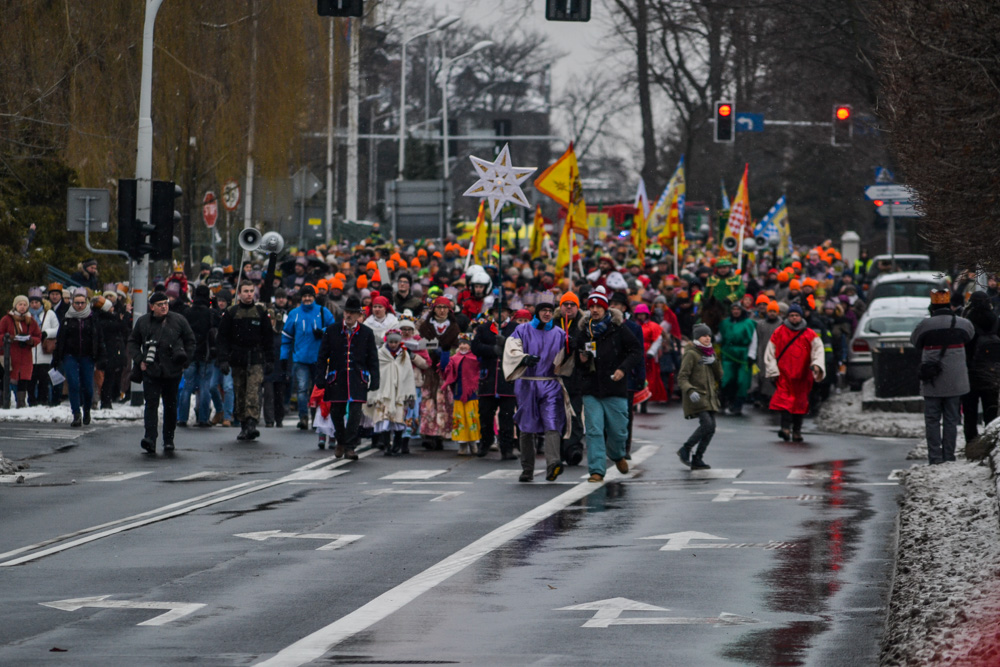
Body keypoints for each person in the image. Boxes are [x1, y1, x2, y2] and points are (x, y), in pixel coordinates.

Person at [574, 287, 643, 482]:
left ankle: (617, 454)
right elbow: (577, 357)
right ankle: (596, 470)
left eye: (599, 306)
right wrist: (582, 359)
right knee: (594, 430)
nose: (595, 310)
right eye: (592, 306)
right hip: (591, 387)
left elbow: (636, 351)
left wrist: (623, 369)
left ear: (606, 309)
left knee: (619, 429)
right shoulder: (584, 331)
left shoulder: (619, 329)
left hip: (615, 386)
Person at [503, 299, 570, 482]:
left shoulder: (559, 333)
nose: (547, 313)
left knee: (552, 423)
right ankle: (527, 469)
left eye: (550, 310)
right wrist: (523, 359)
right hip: (527, 384)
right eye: (544, 310)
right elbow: (511, 348)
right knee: (526, 427)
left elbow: (567, 355)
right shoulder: (522, 330)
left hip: (550, 383)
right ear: (537, 312)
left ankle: (553, 464)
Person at [910, 289, 975, 464]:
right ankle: (949, 456)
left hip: (932, 380)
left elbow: (915, 342)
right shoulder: (963, 324)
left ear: (932, 307)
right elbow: (970, 337)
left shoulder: (924, 325)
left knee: (932, 420)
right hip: (956, 381)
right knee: (951, 420)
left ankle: (935, 457)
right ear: (950, 306)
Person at [128, 291, 195, 453]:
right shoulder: (143, 322)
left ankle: (168, 439)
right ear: (152, 307)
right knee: (151, 404)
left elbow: (190, 341)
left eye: (165, 303)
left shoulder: (178, 320)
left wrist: (185, 362)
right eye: (160, 305)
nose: (164, 307)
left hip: (173, 371)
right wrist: (140, 360)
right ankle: (150, 438)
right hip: (151, 370)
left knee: (170, 405)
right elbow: (132, 342)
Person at [315, 296, 380, 460]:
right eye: (347, 312)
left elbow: (372, 358)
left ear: (359, 315)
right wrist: (320, 377)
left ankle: (350, 446)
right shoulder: (332, 330)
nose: (349, 315)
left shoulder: (366, 333)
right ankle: (341, 440)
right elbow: (322, 356)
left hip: (358, 378)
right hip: (337, 377)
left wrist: (375, 378)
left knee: (355, 414)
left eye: (353, 312)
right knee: (336, 412)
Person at [217, 281, 274, 441]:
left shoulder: (261, 312)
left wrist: (270, 360)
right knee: (240, 392)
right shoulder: (232, 312)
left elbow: (268, 338)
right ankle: (243, 424)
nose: (249, 294)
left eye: (251, 291)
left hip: (256, 359)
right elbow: (222, 338)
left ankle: (251, 423)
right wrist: (223, 359)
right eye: (246, 291)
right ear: (239, 293)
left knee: (253, 392)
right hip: (237, 359)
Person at [764, 303, 826, 442]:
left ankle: (797, 430)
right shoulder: (779, 332)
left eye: (796, 315)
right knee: (785, 403)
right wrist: (773, 371)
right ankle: (785, 428)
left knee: (800, 403)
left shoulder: (810, 334)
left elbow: (818, 350)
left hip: (803, 376)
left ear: (801, 317)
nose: (794, 318)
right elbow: (770, 352)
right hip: (784, 375)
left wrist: (816, 365)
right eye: (791, 315)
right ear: (787, 316)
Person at [281, 284, 335, 430]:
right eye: (304, 296)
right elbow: (286, 338)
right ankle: (303, 417)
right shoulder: (294, 314)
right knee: (302, 390)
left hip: (319, 359)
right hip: (300, 359)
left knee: (317, 390)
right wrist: (283, 358)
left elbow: (334, 330)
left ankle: (316, 419)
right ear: (301, 297)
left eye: (309, 296)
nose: (307, 298)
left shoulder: (323, 312)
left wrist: (323, 331)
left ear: (314, 297)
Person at [471, 306, 518, 461]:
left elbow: (520, 348)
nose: (500, 314)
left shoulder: (515, 328)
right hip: (488, 379)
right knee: (484, 414)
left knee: (507, 417)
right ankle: (485, 442)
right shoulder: (483, 328)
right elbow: (475, 347)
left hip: (507, 379)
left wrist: (505, 347)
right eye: (497, 311)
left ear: (508, 313)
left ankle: (507, 448)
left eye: (503, 311)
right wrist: (493, 349)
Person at [52, 290, 104, 425]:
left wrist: (100, 356)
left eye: (82, 303)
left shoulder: (92, 318)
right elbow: (60, 338)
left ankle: (87, 410)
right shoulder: (67, 318)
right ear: (72, 303)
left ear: (86, 303)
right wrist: (56, 357)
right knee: (73, 384)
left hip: (87, 356)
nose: (80, 305)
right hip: (70, 355)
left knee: (88, 387)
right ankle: (76, 413)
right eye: (77, 303)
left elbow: (99, 338)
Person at [676, 323, 723, 469]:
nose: (707, 338)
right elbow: (682, 377)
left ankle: (698, 458)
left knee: (711, 428)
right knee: (707, 425)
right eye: (704, 335)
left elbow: (719, 375)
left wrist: (714, 362)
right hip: (697, 396)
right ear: (697, 337)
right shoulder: (691, 354)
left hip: (710, 396)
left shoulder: (710, 353)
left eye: (709, 335)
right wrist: (690, 390)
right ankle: (686, 448)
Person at [364, 329, 417, 456]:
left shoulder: (404, 355)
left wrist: (410, 395)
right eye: (391, 342)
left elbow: (408, 375)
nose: (393, 344)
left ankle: (397, 443)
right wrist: (371, 395)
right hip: (384, 394)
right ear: (387, 341)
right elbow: (375, 374)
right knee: (384, 420)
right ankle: (387, 445)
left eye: (396, 342)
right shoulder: (380, 354)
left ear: (400, 342)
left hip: (399, 394)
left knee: (398, 420)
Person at [418, 296, 460, 450]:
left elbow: (459, 347)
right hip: (429, 369)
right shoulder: (425, 327)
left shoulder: (454, 327)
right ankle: (429, 434)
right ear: (433, 309)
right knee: (428, 400)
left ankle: (442, 433)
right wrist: (430, 350)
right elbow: (419, 344)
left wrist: (447, 353)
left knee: (443, 400)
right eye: (439, 307)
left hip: (446, 371)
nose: (442, 311)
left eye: (445, 308)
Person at [178, 284, 219, 427]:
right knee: (205, 386)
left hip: (190, 353)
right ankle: (202, 418)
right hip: (206, 353)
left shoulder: (187, 313)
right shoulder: (211, 313)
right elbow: (219, 325)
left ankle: (182, 417)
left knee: (187, 387)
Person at [961, 292, 1000, 444]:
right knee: (990, 411)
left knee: (970, 413)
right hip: (992, 372)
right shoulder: (996, 321)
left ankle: (971, 443)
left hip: (971, 372)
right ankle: (990, 444)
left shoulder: (967, 322)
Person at [442, 333, 481, 455]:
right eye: (461, 344)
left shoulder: (475, 358)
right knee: (460, 420)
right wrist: (445, 353)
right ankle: (462, 445)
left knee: (472, 419)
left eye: (466, 344)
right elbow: (445, 368)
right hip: (459, 393)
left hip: (472, 394)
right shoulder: (454, 358)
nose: (463, 346)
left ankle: (473, 443)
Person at [1, 295, 42, 408]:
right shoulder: (7, 319)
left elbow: (38, 336)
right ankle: (5, 401)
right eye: (20, 304)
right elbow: (0, 334)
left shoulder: (31, 321)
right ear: (15, 306)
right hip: (10, 353)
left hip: (25, 354)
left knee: (24, 378)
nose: (22, 307)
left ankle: (21, 402)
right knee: (7, 377)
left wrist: (31, 340)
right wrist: (9, 338)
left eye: (25, 305)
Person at [718, 301, 757, 416]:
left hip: (743, 355)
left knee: (742, 380)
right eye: (733, 309)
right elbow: (719, 337)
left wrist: (751, 355)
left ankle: (737, 405)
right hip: (728, 354)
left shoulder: (749, 324)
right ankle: (724, 401)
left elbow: (753, 341)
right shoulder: (724, 323)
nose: (735, 311)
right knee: (726, 378)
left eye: (738, 309)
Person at [26, 288, 59, 406]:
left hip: (44, 353)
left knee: (44, 379)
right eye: (32, 302)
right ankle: (31, 400)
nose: (34, 305)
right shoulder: (26, 315)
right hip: (30, 353)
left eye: (37, 302)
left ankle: (43, 400)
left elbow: (57, 329)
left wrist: (47, 333)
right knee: (30, 379)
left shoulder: (49, 314)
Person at [264, 288, 291, 428]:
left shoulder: (288, 318)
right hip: (269, 366)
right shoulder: (267, 332)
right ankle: (269, 420)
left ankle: (279, 419)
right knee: (268, 395)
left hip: (280, 366)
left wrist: (287, 370)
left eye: (283, 297)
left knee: (279, 395)